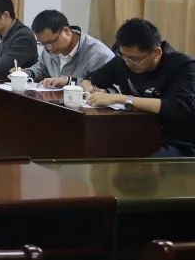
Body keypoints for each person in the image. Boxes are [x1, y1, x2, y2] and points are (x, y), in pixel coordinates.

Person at [82, 19, 195, 157]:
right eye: (124, 56)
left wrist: (122, 99)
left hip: (179, 142)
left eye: (135, 59)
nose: (128, 63)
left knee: (143, 159)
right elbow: (90, 79)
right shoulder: (124, 60)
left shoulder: (183, 66)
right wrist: (90, 90)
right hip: (141, 132)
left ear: (156, 53)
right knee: (97, 143)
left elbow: (178, 107)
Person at [25, 10, 115, 88]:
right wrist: (28, 73)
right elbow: (42, 68)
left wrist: (69, 81)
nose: (48, 48)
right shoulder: (49, 47)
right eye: (43, 43)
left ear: (67, 31)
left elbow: (102, 87)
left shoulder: (99, 55)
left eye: (51, 42)